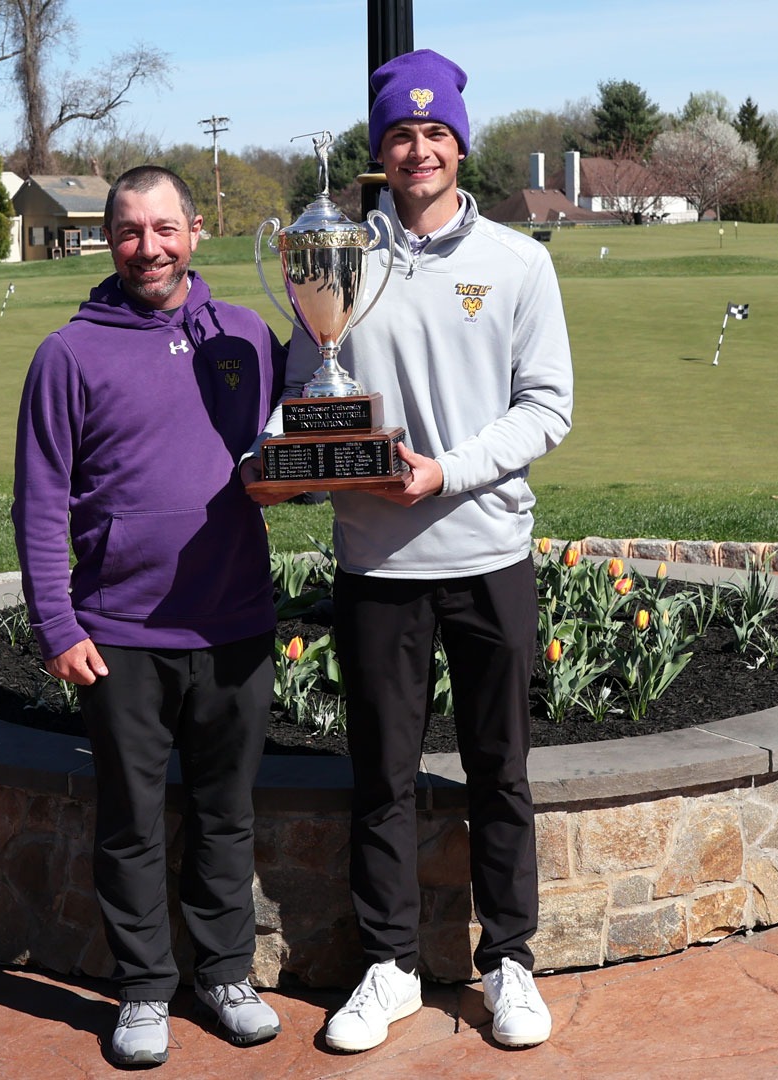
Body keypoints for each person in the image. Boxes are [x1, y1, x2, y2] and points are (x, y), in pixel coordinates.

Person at [244, 49, 574, 1052]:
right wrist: (285, 456)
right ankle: (386, 968)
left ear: (459, 142)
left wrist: (448, 471)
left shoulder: (521, 261)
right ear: (379, 152)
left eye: (434, 132)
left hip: (486, 554)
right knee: (380, 775)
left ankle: (509, 961)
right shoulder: (335, 254)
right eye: (400, 133)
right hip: (377, 565)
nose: (418, 148)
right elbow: (309, 389)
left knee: (499, 769)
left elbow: (549, 408)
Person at [14, 165, 287, 1068]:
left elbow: (295, 444)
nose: (148, 248)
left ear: (196, 231)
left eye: (164, 229)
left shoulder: (248, 336)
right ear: (110, 239)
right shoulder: (69, 354)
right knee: (131, 819)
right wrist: (57, 623)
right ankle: (142, 991)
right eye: (130, 232)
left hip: (236, 625)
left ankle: (225, 975)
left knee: (225, 813)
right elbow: (39, 499)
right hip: (122, 632)